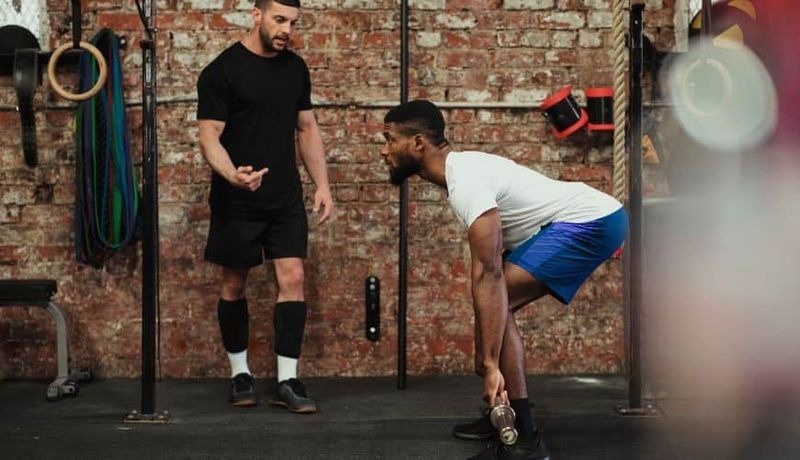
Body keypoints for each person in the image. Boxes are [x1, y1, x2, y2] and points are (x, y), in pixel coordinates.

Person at [380, 100, 627, 459]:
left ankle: (525, 439)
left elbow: (491, 271)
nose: (384, 150)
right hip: (576, 221)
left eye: (390, 139)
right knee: (493, 301)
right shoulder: (458, 173)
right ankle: (502, 414)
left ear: (418, 143)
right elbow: (483, 277)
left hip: (593, 220)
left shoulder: (465, 181)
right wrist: (485, 348)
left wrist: (490, 362)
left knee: (501, 299)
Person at [196, 0, 332, 413]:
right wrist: (233, 174)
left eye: (292, 22)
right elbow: (209, 136)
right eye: (279, 19)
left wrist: (322, 185)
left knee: (293, 277)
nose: (286, 29)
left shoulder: (295, 69)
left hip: (284, 198)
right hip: (237, 197)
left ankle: (288, 381)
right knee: (234, 283)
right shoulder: (221, 71)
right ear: (256, 15)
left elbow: (306, 128)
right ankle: (240, 373)